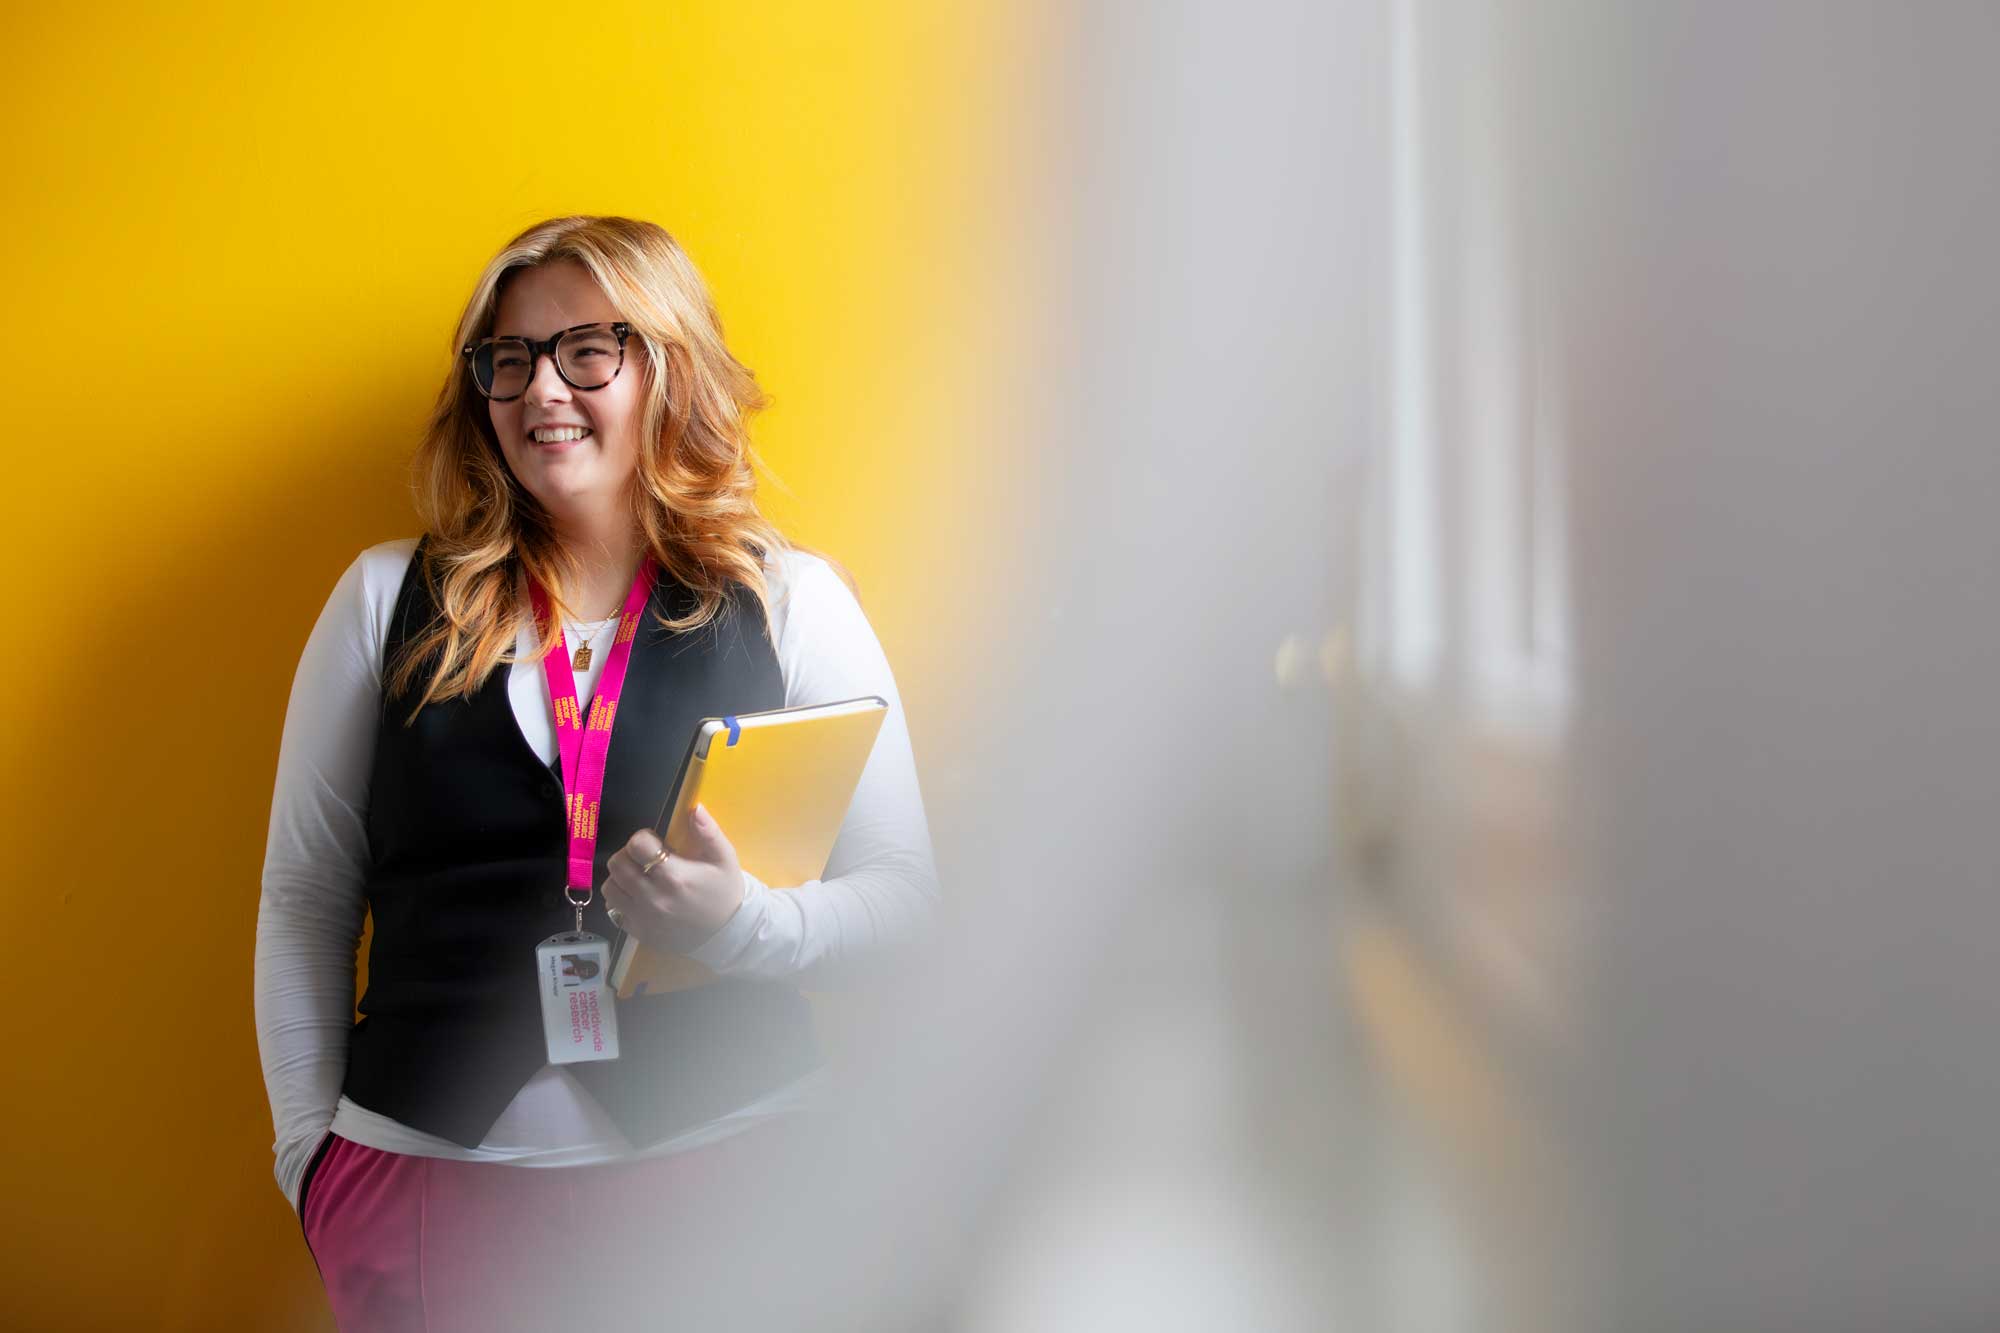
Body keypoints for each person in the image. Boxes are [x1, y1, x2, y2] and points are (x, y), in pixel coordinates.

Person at [253, 215, 940, 1330]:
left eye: (586, 350)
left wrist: (743, 928)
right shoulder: (382, 599)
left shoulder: (791, 603)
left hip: (734, 1178)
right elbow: (304, 897)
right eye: (510, 357)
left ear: (669, 366)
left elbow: (906, 904)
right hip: (425, 1192)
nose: (540, 390)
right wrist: (312, 1167)